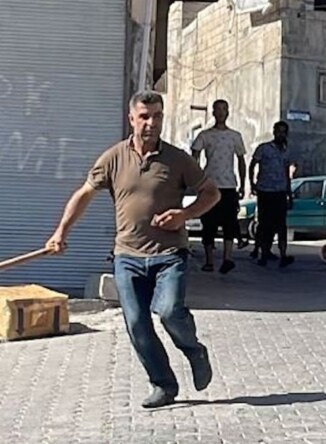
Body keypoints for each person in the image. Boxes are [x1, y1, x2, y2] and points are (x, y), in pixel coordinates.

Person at [45, 91, 220, 408]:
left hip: (170, 256)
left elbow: (211, 194)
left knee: (168, 312)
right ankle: (163, 385)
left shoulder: (178, 159)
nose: (151, 123)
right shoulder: (113, 158)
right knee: (137, 323)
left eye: (157, 116)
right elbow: (85, 193)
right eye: (145, 116)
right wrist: (61, 232)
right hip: (128, 258)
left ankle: (194, 350)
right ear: (131, 119)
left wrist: (185, 214)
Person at [191, 99, 247, 274]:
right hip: (209, 185)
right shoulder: (204, 135)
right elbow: (194, 156)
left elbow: (241, 160)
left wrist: (243, 184)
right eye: (218, 109)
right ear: (213, 112)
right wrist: (196, 180)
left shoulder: (235, 136)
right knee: (209, 223)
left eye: (224, 109)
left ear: (228, 112)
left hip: (229, 185)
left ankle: (227, 258)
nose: (221, 112)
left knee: (230, 222)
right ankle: (209, 260)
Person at [248, 121, 295, 268]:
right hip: (265, 191)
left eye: (284, 132)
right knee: (265, 224)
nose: (281, 134)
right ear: (274, 132)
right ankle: (263, 253)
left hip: (280, 192)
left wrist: (289, 193)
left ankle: (283, 255)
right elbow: (252, 165)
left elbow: (287, 172)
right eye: (279, 131)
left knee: (281, 226)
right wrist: (252, 184)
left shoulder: (286, 151)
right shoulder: (264, 149)